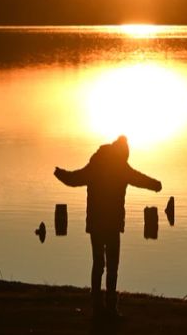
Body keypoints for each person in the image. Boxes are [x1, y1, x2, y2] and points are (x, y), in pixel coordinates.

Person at [54, 136, 162, 319]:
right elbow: (139, 178)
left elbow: (75, 179)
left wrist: (60, 173)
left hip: (96, 224)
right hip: (111, 224)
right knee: (111, 266)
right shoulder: (120, 167)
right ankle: (109, 308)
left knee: (99, 264)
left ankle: (98, 307)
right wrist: (155, 185)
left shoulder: (98, 164)